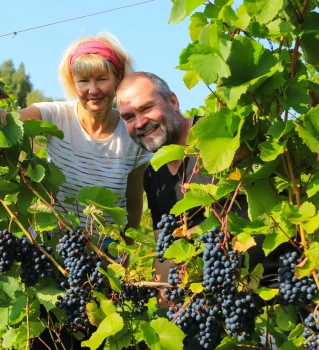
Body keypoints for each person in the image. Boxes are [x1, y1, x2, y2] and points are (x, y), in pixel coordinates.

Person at [116, 72, 283, 287]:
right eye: (129, 117)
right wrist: (169, 309)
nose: (139, 123)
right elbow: (167, 256)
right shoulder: (154, 175)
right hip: (221, 300)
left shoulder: (222, 134)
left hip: (281, 286)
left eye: (146, 108)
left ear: (173, 101)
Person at [0, 33, 152, 232]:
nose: (93, 89)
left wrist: (126, 252)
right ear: (74, 83)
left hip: (105, 255)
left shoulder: (132, 135)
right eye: (83, 81)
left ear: (118, 79)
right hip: (52, 251)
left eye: (102, 79)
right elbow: (7, 122)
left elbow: (133, 205)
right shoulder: (56, 116)